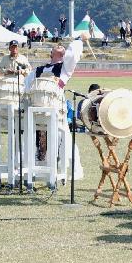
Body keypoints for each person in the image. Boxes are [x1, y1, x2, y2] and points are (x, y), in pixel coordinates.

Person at [26, 33, 89, 165]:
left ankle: (61, 162)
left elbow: (72, 55)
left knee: (60, 134)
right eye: (57, 46)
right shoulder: (38, 70)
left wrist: (79, 40)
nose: (60, 46)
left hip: (56, 105)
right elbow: (26, 86)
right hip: (37, 107)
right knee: (36, 134)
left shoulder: (65, 68)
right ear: (51, 53)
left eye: (63, 48)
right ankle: (36, 160)